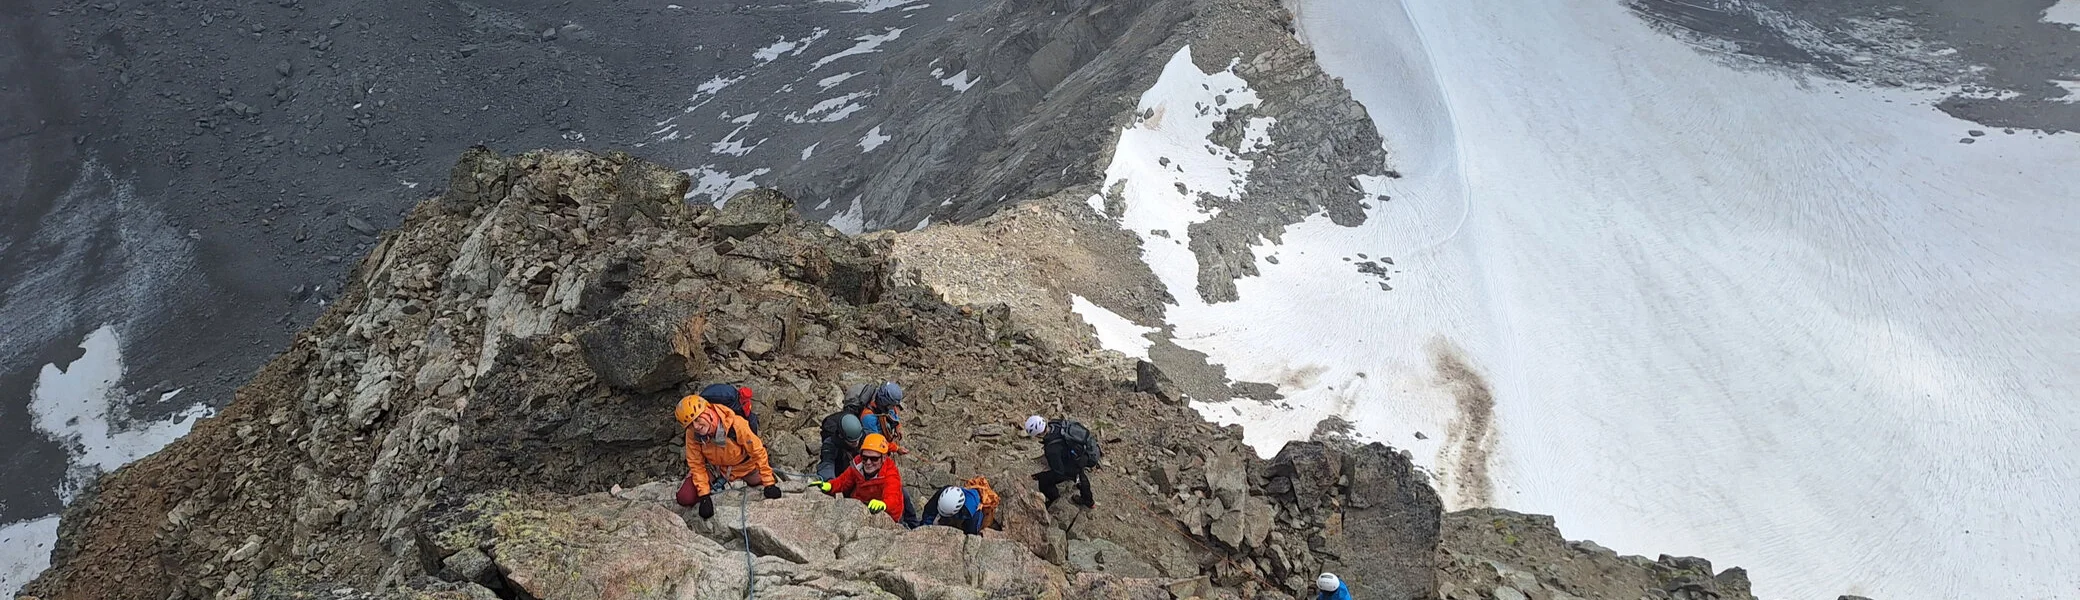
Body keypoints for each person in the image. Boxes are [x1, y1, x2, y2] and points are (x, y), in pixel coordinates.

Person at [675, 393, 782, 519]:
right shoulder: (693, 434)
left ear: (708, 410)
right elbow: (696, 464)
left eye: (698, 419)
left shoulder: (735, 424)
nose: (696, 427)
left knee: (759, 482)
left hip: (743, 467)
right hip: (716, 469)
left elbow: (757, 451)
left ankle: (766, 476)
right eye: (691, 424)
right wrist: (704, 495)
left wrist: (769, 483)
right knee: (685, 497)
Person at [813, 433, 906, 522]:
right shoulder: (858, 463)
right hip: (861, 504)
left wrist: (884, 505)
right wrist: (830, 485)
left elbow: (892, 497)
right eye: (865, 457)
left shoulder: (890, 474)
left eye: (874, 458)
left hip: (887, 515)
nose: (868, 462)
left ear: (884, 458)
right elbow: (843, 481)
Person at [1026, 415, 1100, 508]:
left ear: (1038, 435)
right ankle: (1089, 501)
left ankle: (1055, 500)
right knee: (1080, 475)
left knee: (1045, 482)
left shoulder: (1051, 449)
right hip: (1083, 453)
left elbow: (1059, 470)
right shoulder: (1056, 423)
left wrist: (1042, 475)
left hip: (1076, 461)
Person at [919, 477, 1000, 535]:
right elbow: (929, 511)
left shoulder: (971, 512)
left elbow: (970, 533)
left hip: (972, 512)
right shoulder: (944, 492)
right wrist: (924, 530)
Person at [844, 381, 907, 453]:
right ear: (884, 403)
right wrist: (896, 449)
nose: (893, 408)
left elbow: (892, 411)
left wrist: (897, 425)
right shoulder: (868, 418)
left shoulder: (883, 402)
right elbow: (877, 441)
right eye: (891, 406)